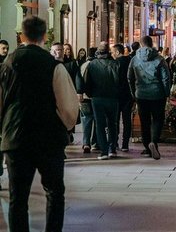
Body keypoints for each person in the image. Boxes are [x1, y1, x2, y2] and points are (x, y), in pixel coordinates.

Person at [0, 16, 79, 232]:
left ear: (21, 36)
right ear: (44, 36)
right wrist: (66, 126)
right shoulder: (54, 66)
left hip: (15, 138)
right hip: (49, 138)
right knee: (54, 193)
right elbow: (68, 107)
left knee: (18, 198)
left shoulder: (6, 65)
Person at [128, 35, 172, 160]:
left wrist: (134, 92)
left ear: (141, 44)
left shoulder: (135, 59)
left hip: (141, 94)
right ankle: (154, 142)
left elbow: (129, 77)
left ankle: (147, 148)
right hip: (157, 94)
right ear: (152, 44)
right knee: (157, 119)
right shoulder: (159, 59)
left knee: (144, 121)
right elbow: (166, 77)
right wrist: (166, 93)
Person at [84, 43, 120, 160]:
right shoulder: (115, 64)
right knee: (112, 124)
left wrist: (91, 94)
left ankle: (104, 150)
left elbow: (87, 83)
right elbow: (119, 81)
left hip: (97, 98)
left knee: (99, 124)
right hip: (113, 98)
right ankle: (112, 148)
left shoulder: (92, 65)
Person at [111, 44, 133, 152]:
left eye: (112, 52)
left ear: (117, 52)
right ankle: (125, 144)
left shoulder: (114, 64)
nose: (112, 54)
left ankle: (115, 142)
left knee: (115, 120)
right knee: (127, 120)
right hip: (128, 95)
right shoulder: (130, 62)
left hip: (116, 95)